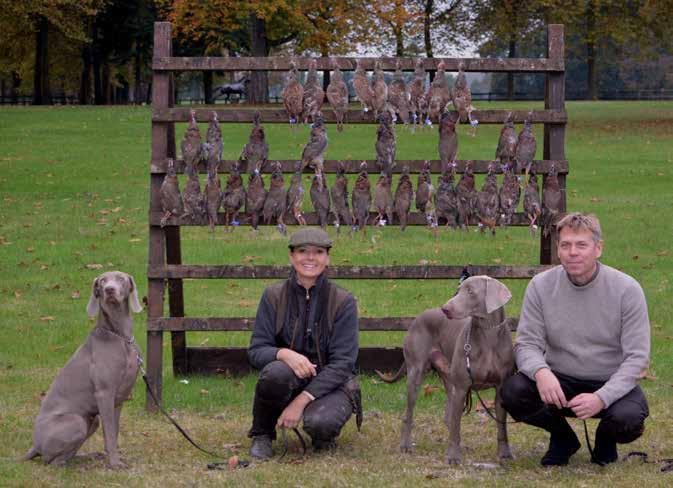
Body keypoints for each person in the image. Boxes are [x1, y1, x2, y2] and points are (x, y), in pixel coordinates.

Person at [501, 212, 650, 467]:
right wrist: (541, 372)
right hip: (559, 381)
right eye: (565, 245)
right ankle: (562, 438)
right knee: (513, 392)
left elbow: (637, 359)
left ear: (598, 248)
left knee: (629, 419)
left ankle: (605, 439)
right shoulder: (540, 286)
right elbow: (526, 344)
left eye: (581, 245)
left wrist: (602, 398)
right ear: (558, 250)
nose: (573, 252)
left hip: (608, 380)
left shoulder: (627, 290)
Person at [247, 228, 361, 460]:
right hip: (288, 379)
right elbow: (256, 351)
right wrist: (284, 354)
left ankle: (322, 435)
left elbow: (343, 364)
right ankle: (262, 434)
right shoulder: (272, 296)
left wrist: (301, 401)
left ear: (327, 258)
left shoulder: (343, 301)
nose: (310, 258)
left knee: (321, 422)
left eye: (318, 252)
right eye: (302, 251)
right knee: (275, 373)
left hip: (331, 384)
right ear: (291, 256)